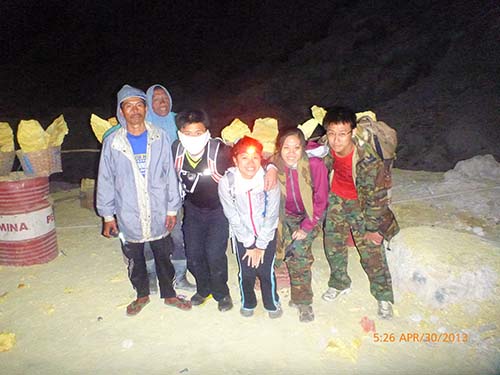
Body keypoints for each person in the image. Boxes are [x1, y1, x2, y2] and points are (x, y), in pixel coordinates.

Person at [96, 84, 191, 316]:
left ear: (145, 109)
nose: (135, 110)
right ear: (121, 111)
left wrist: (171, 209)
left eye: (139, 105)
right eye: (129, 106)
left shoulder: (160, 137)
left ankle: (169, 294)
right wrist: (107, 215)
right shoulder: (113, 142)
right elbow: (106, 179)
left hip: (159, 208)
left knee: (163, 253)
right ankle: (141, 294)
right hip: (128, 209)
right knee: (135, 257)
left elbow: (170, 175)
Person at [321, 106, 399, 319]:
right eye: (331, 133)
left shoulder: (368, 159)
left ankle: (383, 296)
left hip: (361, 203)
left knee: (371, 251)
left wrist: (374, 228)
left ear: (353, 132)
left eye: (342, 134)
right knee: (333, 245)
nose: (336, 140)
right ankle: (339, 283)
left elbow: (378, 197)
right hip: (337, 198)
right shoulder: (325, 148)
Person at [218, 136, 282, 318]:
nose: (250, 163)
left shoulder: (268, 179)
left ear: (261, 158)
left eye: (255, 157)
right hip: (242, 235)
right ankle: (249, 301)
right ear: (235, 160)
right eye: (244, 157)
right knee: (246, 272)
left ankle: (272, 302)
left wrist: (261, 245)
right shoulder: (228, 182)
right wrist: (249, 244)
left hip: (266, 234)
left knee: (266, 271)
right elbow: (232, 215)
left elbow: (272, 214)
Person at [273, 128, 329, 322]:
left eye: (296, 147)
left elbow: (321, 200)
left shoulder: (315, 165)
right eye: (286, 147)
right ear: (279, 148)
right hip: (284, 215)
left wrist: (306, 227)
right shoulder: (274, 166)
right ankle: (285, 285)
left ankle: (303, 301)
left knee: (300, 252)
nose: (291, 153)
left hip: (310, 215)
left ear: (303, 148)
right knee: (280, 248)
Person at [145, 84, 195, 292]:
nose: (162, 102)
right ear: (148, 104)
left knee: (177, 233)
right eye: (156, 99)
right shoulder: (142, 125)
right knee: (148, 234)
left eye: (165, 97)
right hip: (148, 191)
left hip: (175, 190)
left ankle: (180, 276)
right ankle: (151, 276)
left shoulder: (179, 122)